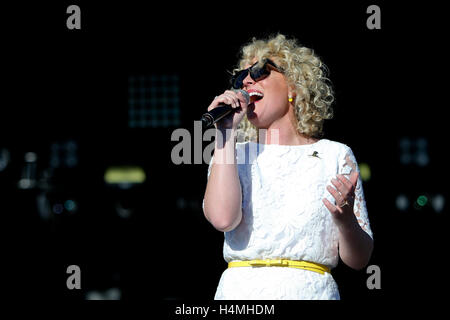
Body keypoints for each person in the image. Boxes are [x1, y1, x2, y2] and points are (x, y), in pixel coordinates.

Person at [202, 34, 373, 300]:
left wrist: (346, 220)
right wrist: (224, 133)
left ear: (294, 86)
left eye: (260, 71)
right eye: (241, 77)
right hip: (241, 294)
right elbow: (223, 218)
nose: (247, 81)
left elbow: (359, 259)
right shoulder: (233, 152)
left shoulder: (335, 155)